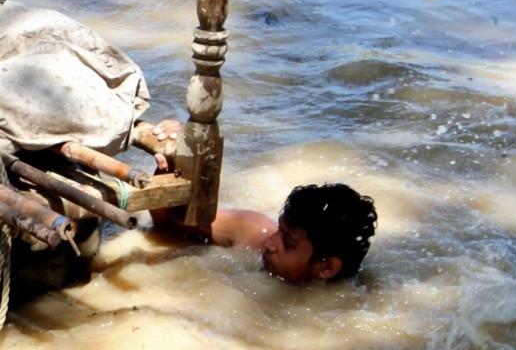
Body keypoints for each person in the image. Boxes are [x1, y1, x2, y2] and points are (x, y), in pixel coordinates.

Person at [148, 120, 378, 283]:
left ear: (327, 267)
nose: (270, 243)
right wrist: (172, 162)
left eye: (288, 243)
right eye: (280, 229)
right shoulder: (254, 232)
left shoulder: (344, 309)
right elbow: (167, 222)